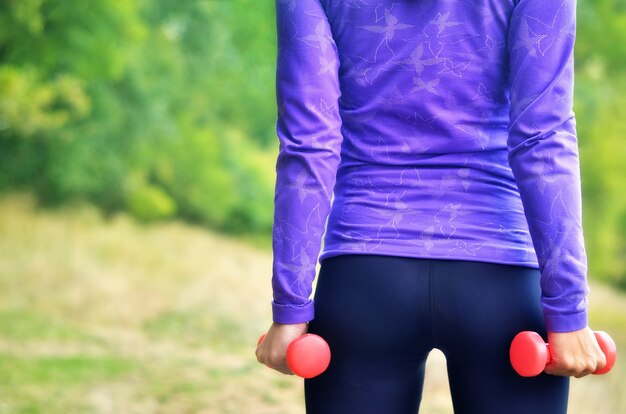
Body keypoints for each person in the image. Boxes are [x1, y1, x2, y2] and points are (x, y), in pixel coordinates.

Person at [256, 0, 607, 412]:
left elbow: (308, 143)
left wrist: (291, 306)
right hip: (500, 284)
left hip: (365, 283)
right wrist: (567, 310)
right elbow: (543, 137)